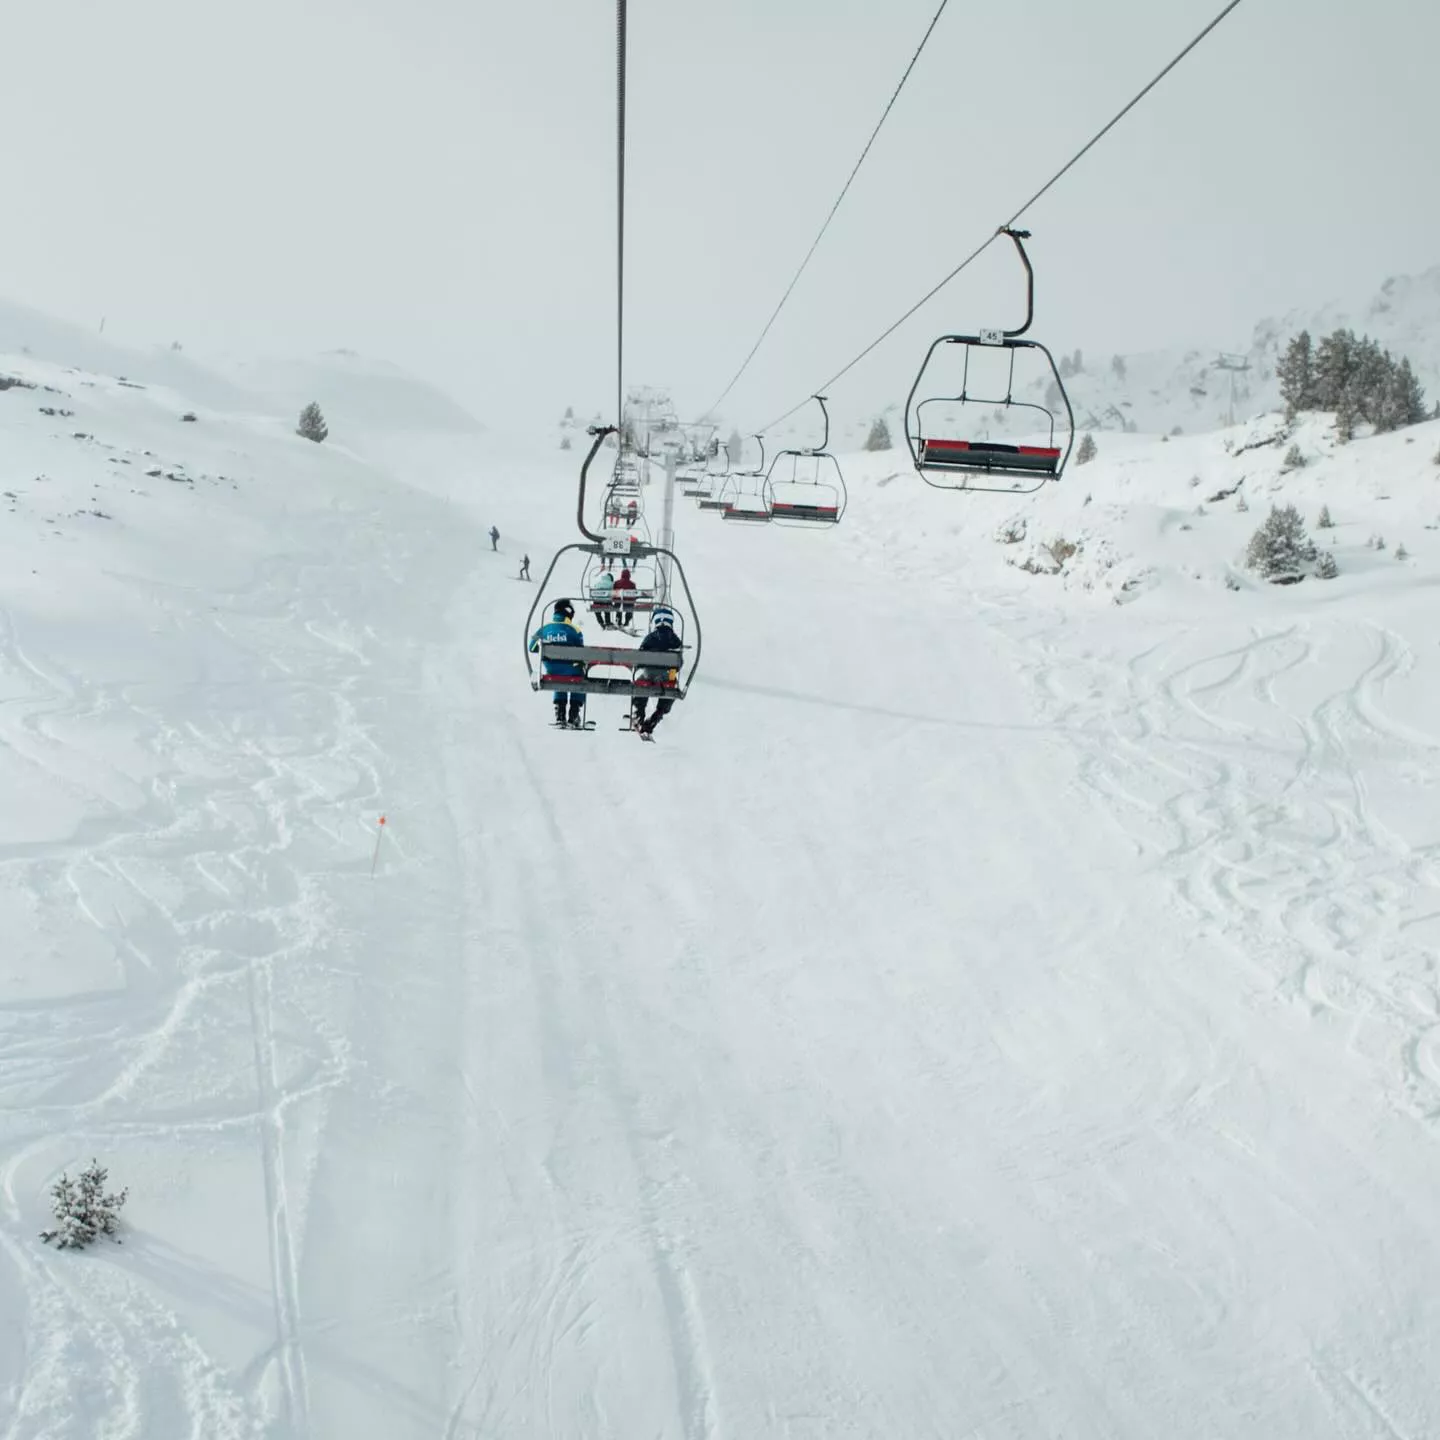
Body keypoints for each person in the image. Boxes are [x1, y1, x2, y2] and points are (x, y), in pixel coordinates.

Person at [528, 599, 586, 727]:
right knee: (578, 675)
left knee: (560, 680)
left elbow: (531, 647)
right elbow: (581, 653)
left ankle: (560, 714)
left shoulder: (543, 629)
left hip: (552, 670)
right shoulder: (575, 630)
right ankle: (574, 714)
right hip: (571, 671)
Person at [630, 606, 682, 739]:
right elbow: (679, 662)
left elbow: (640, 657)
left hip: (649, 674)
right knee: (671, 684)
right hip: (667, 676)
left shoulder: (651, 637)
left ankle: (639, 713)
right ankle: (656, 716)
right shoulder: (675, 639)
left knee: (641, 683)